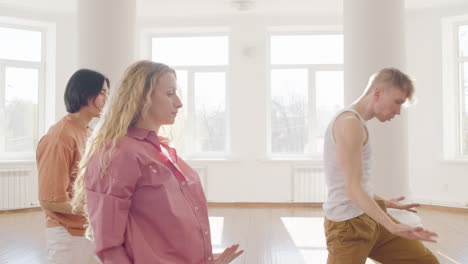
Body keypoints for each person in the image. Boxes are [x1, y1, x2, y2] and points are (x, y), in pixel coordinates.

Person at [71, 60, 243, 264]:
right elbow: (109, 248)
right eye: (170, 93)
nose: (179, 103)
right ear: (143, 98)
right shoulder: (119, 154)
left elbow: (165, 232)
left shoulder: (160, 150)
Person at [322, 68, 439, 264]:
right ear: (378, 92)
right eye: (397, 102)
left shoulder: (358, 123)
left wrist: (386, 203)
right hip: (348, 227)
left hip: (372, 218)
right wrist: (392, 226)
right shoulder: (349, 123)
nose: (398, 111)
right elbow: (351, 188)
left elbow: (355, 183)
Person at [36, 69, 109, 264]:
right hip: (67, 236)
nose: (107, 99)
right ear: (86, 94)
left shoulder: (88, 132)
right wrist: (98, 207)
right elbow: (49, 201)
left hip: (87, 230)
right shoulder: (59, 137)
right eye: (103, 93)